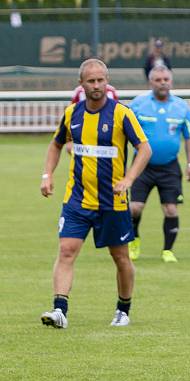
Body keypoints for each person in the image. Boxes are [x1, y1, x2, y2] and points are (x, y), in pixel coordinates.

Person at [40, 58, 152, 329]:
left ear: (107, 81)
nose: (97, 85)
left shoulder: (122, 114)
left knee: (120, 257)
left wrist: (129, 178)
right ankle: (60, 309)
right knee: (67, 250)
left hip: (112, 201)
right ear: (81, 84)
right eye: (91, 81)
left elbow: (144, 149)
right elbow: (56, 145)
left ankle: (123, 309)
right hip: (77, 199)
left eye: (101, 80)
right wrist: (47, 175)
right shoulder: (72, 114)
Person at [128, 65, 190, 263]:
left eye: (166, 79)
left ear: (171, 81)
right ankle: (134, 241)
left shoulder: (181, 107)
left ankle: (168, 250)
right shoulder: (138, 104)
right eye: (158, 80)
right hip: (142, 166)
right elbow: (124, 134)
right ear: (151, 82)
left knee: (171, 209)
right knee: (134, 208)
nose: (163, 83)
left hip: (169, 166)